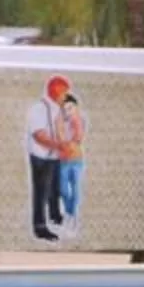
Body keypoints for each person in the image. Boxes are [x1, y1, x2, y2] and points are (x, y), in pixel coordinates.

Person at [24, 76, 69, 240]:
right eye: (64, 92)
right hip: (41, 156)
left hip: (54, 155)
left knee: (55, 188)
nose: (66, 96)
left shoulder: (57, 108)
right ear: (56, 91)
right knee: (41, 191)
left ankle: (55, 215)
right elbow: (39, 135)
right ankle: (40, 226)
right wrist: (57, 145)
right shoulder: (39, 108)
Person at [56, 91, 86, 234]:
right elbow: (60, 138)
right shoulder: (60, 121)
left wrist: (74, 120)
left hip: (76, 160)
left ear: (76, 107)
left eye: (70, 108)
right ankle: (70, 212)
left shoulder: (79, 120)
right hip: (63, 160)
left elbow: (78, 138)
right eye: (65, 109)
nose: (68, 111)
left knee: (75, 189)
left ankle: (71, 216)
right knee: (63, 190)